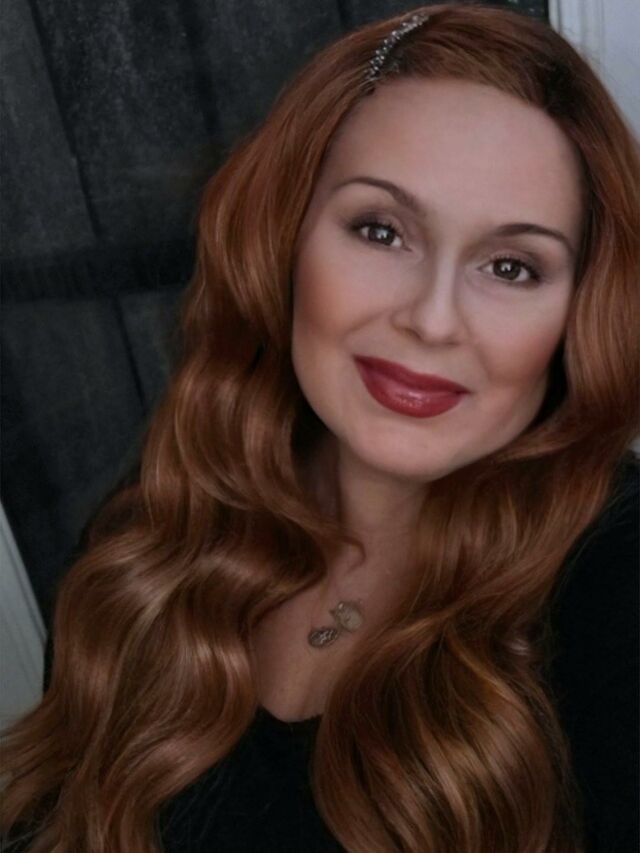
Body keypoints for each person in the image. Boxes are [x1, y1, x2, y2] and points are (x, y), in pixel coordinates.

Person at [1, 3, 638, 851]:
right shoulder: (164, 515)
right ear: (287, 235)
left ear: (579, 312)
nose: (432, 320)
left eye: (512, 266)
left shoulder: (618, 579)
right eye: (381, 230)